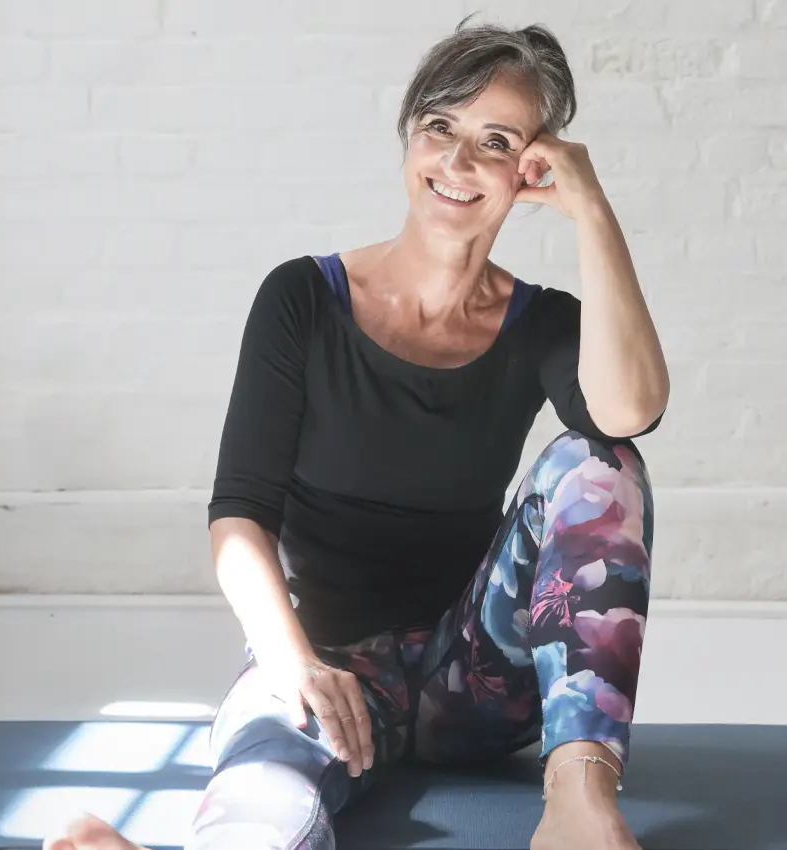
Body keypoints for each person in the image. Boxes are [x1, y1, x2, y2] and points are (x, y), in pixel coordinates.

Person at [51, 18, 669, 850]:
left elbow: (628, 415)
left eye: (495, 141)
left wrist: (591, 208)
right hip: (329, 659)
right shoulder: (303, 299)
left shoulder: (543, 323)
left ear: (532, 167)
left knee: (598, 461)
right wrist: (292, 662)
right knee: (267, 778)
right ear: (409, 135)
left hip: (475, 677)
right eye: (440, 127)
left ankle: (579, 806)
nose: (458, 162)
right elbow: (239, 516)